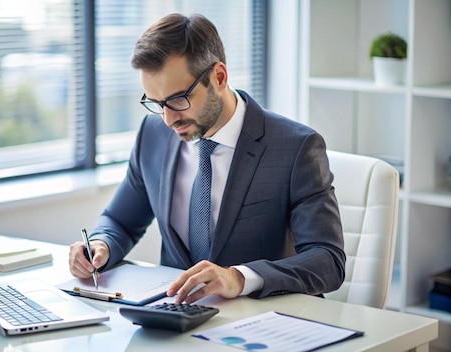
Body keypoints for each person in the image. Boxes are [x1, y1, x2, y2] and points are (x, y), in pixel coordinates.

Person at [69, 13, 345, 304]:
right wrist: (100, 245)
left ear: (219, 77)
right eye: (157, 103)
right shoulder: (153, 135)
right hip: (175, 323)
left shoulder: (295, 147)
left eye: (178, 100)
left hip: (261, 323)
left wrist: (239, 277)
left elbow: (327, 260)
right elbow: (120, 221)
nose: (168, 119)